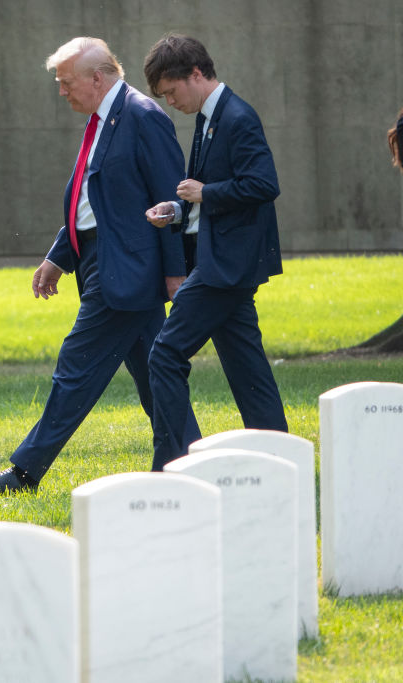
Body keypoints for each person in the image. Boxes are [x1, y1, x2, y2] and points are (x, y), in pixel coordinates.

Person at [0, 37, 190, 494]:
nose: (61, 91)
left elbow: (171, 201)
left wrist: (175, 273)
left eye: (66, 82)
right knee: (156, 375)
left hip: (126, 272)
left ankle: (24, 474)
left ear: (97, 78)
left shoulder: (143, 117)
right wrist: (58, 257)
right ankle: (187, 462)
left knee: (75, 368)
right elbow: (96, 204)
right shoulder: (102, 119)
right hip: (109, 263)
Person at [144, 33, 288, 471]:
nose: (170, 102)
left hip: (225, 266)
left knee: (165, 354)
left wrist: (208, 193)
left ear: (195, 74)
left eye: (171, 91)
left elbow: (265, 185)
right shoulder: (211, 118)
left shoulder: (237, 117)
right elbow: (202, 189)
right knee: (248, 369)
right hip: (223, 261)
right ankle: (281, 455)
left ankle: (171, 464)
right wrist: (176, 207)